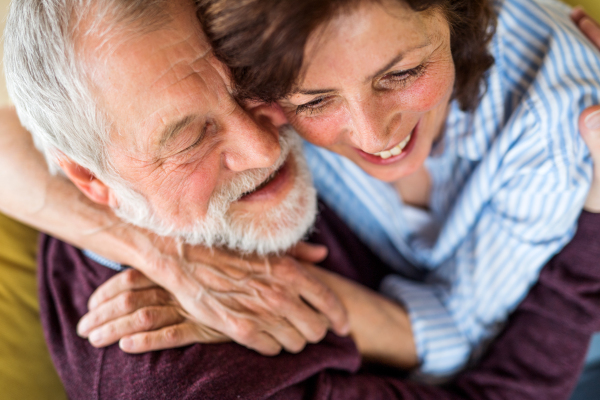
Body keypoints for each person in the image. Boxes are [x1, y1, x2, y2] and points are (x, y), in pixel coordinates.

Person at [1, 0, 600, 398]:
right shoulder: (186, 374)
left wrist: (160, 250)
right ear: (91, 181)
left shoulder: (191, 59)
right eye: (190, 139)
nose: (265, 150)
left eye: (250, 91)